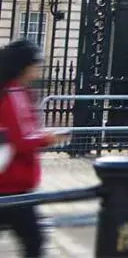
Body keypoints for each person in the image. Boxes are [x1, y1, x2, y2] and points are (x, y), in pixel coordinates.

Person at [0, 41, 62, 258]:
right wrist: (47, 138)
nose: (38, 71)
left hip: (10, 180)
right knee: (34, 241)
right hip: (12, 182)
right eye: (36, 65)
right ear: (25, 66)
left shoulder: (13, 90)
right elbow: (22, 139)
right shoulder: (14, 92)